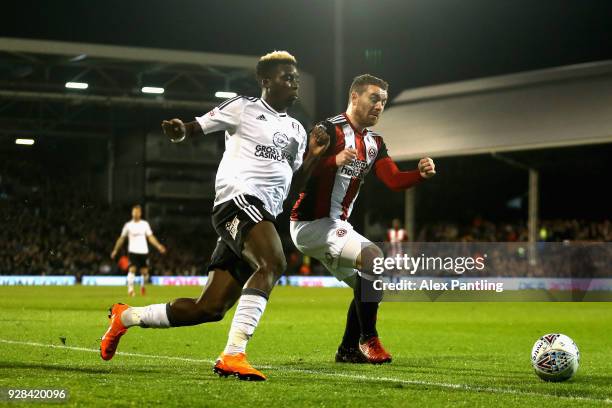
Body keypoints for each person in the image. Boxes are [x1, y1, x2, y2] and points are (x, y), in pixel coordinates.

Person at [100, 51, 330, 381]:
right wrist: (180, 130)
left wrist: (315, 157)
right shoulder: (243, 108)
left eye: (296, 78)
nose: (294, 83)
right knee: (274, 262)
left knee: (209, 308)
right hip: (238, 201)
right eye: (286, 77)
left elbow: (297, 181)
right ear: (266, 81)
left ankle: (126, 317)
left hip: (264, 212)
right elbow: (195, 127)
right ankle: (233, 354)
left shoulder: (296, 128)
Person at [290, 74, 436, 364]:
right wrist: (332, 161)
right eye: (374, 98)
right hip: (309, 224)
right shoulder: (326, 130)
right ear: (354, 97)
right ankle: (369, 339)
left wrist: (419, 174)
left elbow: (393, 180)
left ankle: (346, 350)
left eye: (383, 101)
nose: (379, 105)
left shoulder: (374, 143)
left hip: (336, 227)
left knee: (365, 283)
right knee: (373, 257)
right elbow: (298, 174)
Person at [110, 204, 166, 296]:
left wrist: (159, 246)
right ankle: (130, 290)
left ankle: (143, 286)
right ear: (132, 213)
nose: (135, 213)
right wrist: (115, 250)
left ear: (140, 213)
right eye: (134, 211)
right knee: (132, 269)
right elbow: (121, 238)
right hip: (133, 251)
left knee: (145, 273)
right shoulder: (128, 225)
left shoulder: (145, 224)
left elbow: (150, 237)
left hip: (144, 251)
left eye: (137, 212)